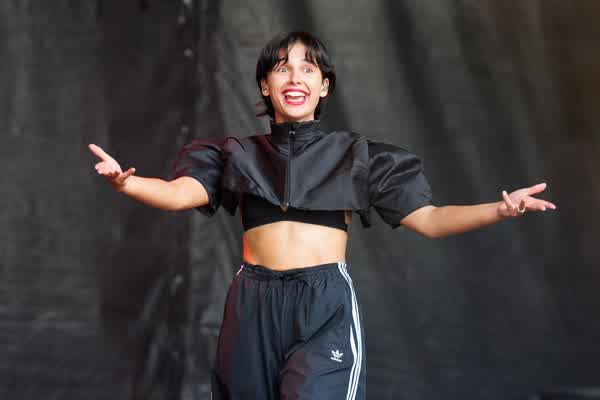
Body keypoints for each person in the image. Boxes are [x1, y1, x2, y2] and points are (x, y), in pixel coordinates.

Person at [89, 31, 556, 400]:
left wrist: (501, 209)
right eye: (282, 69)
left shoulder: (357, 156)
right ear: (265, 86)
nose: (295, 78)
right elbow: (178, 194)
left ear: (323, 86)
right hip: (253, 302)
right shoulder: (236, 154)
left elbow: (430, 220)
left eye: (307, 69)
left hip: (322, 303)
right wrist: (127, 183)